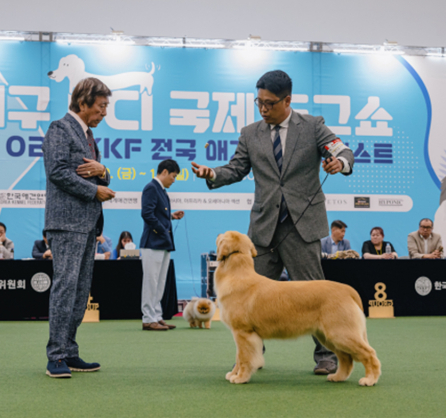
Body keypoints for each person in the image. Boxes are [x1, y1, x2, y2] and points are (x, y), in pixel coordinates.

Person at [191, 70, 354, 375]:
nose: (263, 109)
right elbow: (237, 168)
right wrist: (212, 174)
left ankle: (326, 356)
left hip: (302, 226)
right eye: (259, 102)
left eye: (269, 103)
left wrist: (341, 163)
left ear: (287, 100)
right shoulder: (250, 132)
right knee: (248, 300)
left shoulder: (313, 126)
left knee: (313, 296)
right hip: (263, 230)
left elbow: (342, 150)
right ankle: (250, 357)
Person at [42, 77, 115, 378]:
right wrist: (93, 191)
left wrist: (104, 173)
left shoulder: (87, 135)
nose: (104, 113)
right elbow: (57, 171)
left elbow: (96, 174)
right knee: (66, 286)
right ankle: (55, 355)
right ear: (83, 102)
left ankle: (70, 351)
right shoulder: (60, 129)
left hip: (87, 224)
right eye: (101, 106)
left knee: (80, 290)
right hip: (66, 222)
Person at [140, 159, 185, 331]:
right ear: (164, 172)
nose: (174, 180)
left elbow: (157, 214)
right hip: (153, 242)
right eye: (173, 176)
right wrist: (163, 230)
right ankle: (147, 318)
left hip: (163, 242)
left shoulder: (162, 191)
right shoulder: (151, 187)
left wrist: (172, 217)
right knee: (151, 282)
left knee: (160, 283)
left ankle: (156, 316)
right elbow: (147, 214)